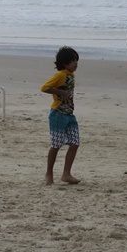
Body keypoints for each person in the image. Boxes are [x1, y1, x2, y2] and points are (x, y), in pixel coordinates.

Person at [41, 46, 81, 185]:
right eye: (72, 61)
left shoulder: (71, 75)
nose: (76, 63)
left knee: (75, 143)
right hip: (57, 114)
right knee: (56, 145)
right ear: (65, 63)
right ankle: (49, 173)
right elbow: (44, 87)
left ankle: (66, 173)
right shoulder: (60, 75)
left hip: (69, 114)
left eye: (76, 60)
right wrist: (60, 92)